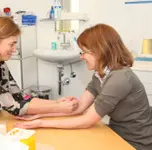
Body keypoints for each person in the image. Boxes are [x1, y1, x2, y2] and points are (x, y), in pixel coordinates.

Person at [15, 24, 152, 150]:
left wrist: (40, 124)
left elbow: (87, 120)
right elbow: (80, 108)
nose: (82, 57)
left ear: (100, 51)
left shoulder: (120, 78)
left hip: (135, 143)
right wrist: (40, 115)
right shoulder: (101, 74)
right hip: (116, 133)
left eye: (84, 52)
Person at [0, 16, 78, 126]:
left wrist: (56, 102)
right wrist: (59, 108)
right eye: (11, 44)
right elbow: (15, 107)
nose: (14, 49)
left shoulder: (0, 64)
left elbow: (20, 97)